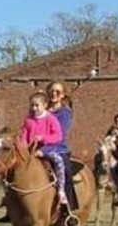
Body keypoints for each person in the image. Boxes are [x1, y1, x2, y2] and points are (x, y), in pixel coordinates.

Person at [18, 91, 68, 216]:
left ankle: (61, 191)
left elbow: (58, 136)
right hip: (31, 151)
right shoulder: (28, 120)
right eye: (32, 105)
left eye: (37, 105)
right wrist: (23, 146)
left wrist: (43, 139)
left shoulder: (51, 118)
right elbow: (24, 135)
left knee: (59, 161)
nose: (34, 108)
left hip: (49, 149)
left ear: (45, 105)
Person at [45, 81, 79, 210]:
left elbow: (60, 134)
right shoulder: (41, 109)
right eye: (52, 91)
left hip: (57, 148)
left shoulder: (65, 113)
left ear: (62, 95)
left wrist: (43, 146)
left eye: (57, 92)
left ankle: (69, 208)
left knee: (66, 171)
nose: (54, 94)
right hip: (37, 148)